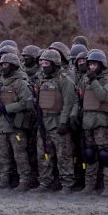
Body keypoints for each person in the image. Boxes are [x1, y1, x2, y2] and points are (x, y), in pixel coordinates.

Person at [31, 48, 77, 193]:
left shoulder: (65, 80)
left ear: (55, 63)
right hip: (43, 123)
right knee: (43, 154)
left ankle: (67, 184)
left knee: (64, 155)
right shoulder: (40, 80)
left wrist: (63, 122)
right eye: (42, 62)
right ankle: (45, 182)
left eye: (47, 62)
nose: (44, 65)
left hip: (58, 122)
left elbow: (69, 103)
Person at [0, 53, 35, 191]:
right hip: (2, 125)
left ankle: (24, 180)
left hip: (16, 125)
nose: (3, 68)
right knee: (2, 155)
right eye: (2, 65)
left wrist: (8, 108)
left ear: (13, 66)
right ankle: (4, 180)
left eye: (6, 65)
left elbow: (27, 103)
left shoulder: (21, 83)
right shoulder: (1, 82)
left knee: (19, 154)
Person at [78, 49, 108, 196]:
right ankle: (89, 185)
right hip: (88, 122)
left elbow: (104, 96)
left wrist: (93, 81)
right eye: (90, 65)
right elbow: (81, 99)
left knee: (106, 155)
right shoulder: (86, 79)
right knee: (89, 155)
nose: (92, 67)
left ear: (102, 64)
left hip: (103, 124)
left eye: (95, 64)